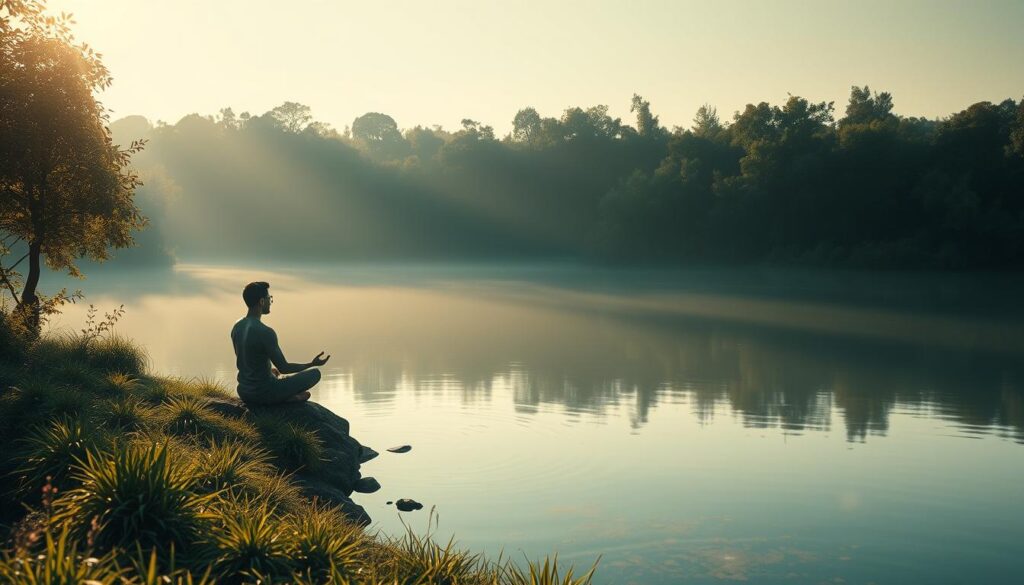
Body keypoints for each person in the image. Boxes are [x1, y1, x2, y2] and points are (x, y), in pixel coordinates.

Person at [230, 281, 330, 405]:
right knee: (315, 374)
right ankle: (286, 399)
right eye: (269, 298)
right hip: (263, 394)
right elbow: (284, 368)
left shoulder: (237, 326)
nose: (270, 301)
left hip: (244, 391)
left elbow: (248, 362)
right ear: (261, 302)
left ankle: (283, 393)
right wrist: (311, 363)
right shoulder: (266, 332)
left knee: (273, 372)